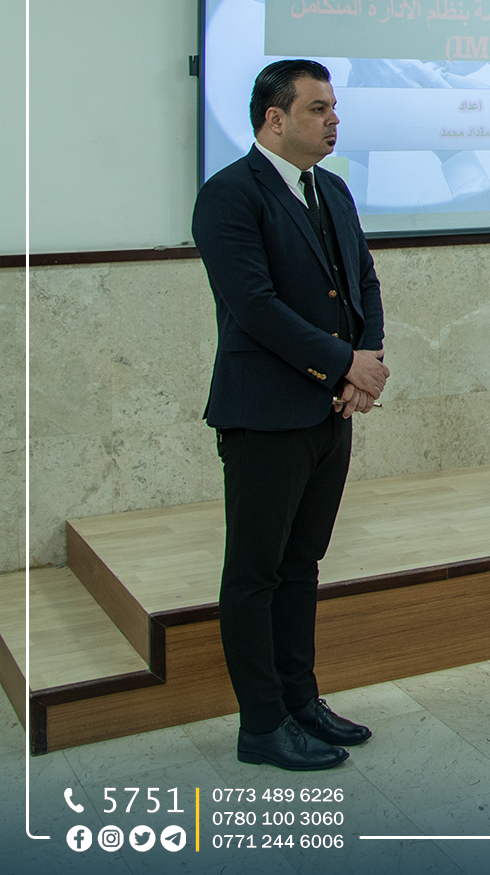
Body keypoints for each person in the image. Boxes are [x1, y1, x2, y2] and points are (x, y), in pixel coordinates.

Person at [191, 59, 387, 771]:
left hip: (329, 412)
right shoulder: (229, 195)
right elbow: (255, 307)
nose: (334, 120)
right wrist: (341, 364)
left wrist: (366, 360)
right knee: (256, 572)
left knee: (303, 563)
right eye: (317, 108)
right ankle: (263, 723)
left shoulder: (330, 187)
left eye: (333, 108)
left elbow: (362, 280)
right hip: (265, 415)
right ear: (274, 119)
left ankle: (302, 701)